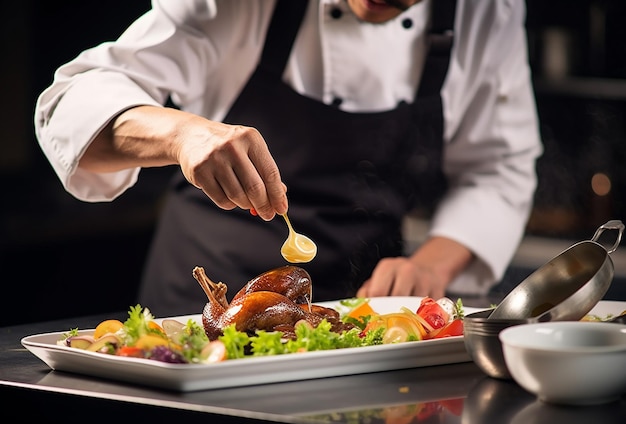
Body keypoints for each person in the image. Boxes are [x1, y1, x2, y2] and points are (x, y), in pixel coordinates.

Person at [34, 0, 542, 317]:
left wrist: (430, 267)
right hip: (198, 316)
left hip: (363, 322)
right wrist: (181, 132)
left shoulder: (487, 10)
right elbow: (69, 109)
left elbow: (499, 168)